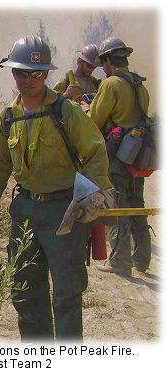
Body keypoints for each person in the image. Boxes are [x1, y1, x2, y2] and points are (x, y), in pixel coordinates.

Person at [0, 35, 112, 341]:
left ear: (47, 74)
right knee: (26, 293)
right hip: (25, 212)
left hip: (63, 211)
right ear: (12, 72)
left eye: (36, 73)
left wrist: (90, 194)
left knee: (66, 294)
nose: (29, 80)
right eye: (21, 72)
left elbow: (95, 151)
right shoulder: (8, 118)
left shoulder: (64, 111)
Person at [83, 37, 152, 276]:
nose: (103, 68)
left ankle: (120, 260)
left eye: (103, 63)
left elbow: (94, 121)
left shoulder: (111, 84)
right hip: (137, 154)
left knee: (117, 205)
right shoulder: (139, 84)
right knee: (136, 204)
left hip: (118, 157)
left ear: (108, 60)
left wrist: (85, 108)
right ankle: (142, 259)